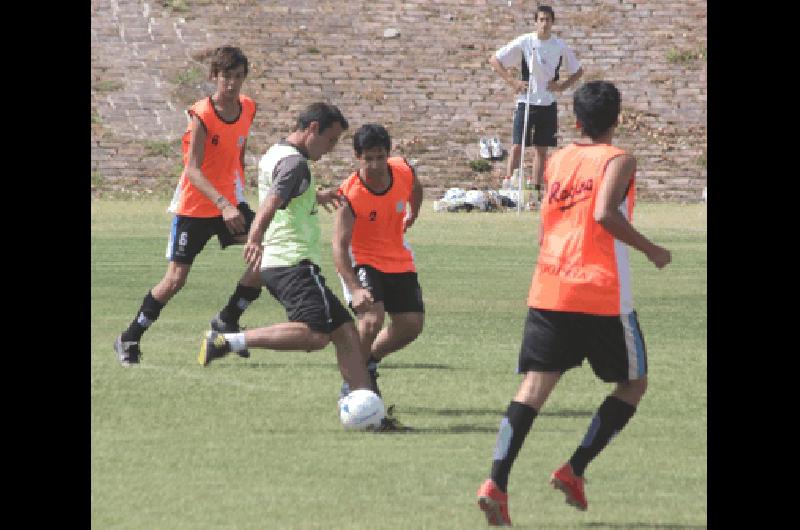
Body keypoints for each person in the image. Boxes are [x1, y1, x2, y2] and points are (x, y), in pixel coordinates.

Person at [475, 80, 672, 526]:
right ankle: (574, 468)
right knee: (633, 383)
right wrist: (652, 250)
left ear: (576, 120)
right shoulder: (619, 159)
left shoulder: (559, 159)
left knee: (533, 389)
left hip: (549, 286)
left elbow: (549, 220)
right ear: (617, 119)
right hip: (599, 292)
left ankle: (495, 484)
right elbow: (603, 212)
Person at [198, 102, 372, 401]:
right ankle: (227, 341)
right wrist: (254, 237)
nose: (330, 149)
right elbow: (271, 203)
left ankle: (366, 403)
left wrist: (316, 196)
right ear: (312, 129)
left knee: (345, 331)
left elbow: (285, 192)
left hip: (282, 260)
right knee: (315, 335)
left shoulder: (277, 154)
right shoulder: (296, 164)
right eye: (330, 140)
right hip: (293, 261)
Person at [114, 46, 257, 366]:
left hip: (229, 205)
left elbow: (239, 153)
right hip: (196, 207)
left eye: (237, 77)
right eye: (225, 77)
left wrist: (239, 197)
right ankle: (129, 337)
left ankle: (227, 319)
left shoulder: (248, 108)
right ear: (213, 77)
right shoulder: (202, 115)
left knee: (267, 249)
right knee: (176, 279)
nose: (232, 84)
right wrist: (222, 203)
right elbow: (192, 169)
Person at [332, 123, 424, 411]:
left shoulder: (403, 171)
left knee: (411, 324)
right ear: (357, 157)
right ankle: (354, 382)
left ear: (388, 153)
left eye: (379, 156)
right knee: (372, 319)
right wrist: (355, 287)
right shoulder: (351, 194)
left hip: (397, 257)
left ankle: (368, 361)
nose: (374, 164)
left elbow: (416, 189)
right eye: (367, 158)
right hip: (363, 259)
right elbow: (338, 245)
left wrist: (414, 213)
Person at [489, 4, 583, 205]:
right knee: (517, 145)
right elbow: (495, 60)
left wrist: (562, 86)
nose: (544, 24)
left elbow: (577, 70)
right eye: (541, 19)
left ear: (552, 22)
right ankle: (508, 185)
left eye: (548, 20)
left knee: (541, 148)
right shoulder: (525, 42)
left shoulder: (559, 46)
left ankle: (536, 188)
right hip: (527, 100)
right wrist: (513, 81)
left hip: (547, 102)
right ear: (536, 22)